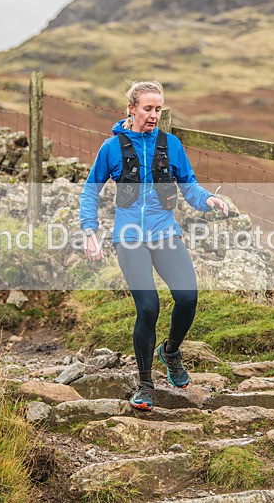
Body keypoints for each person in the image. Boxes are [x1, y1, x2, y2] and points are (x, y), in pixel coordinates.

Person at [79, 80, 228, 411]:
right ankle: (145, 384)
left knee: (188, 297)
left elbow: (189, 186)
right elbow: (90, 191)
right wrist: (90, 230)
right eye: (148, 108)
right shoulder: (111, 148)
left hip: (164, 234)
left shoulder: (171, 145)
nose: (154, 115)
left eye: (158, 109)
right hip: (129, 239)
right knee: (148, 307)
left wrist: (209, 202)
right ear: (131, 109)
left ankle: (171, 351)